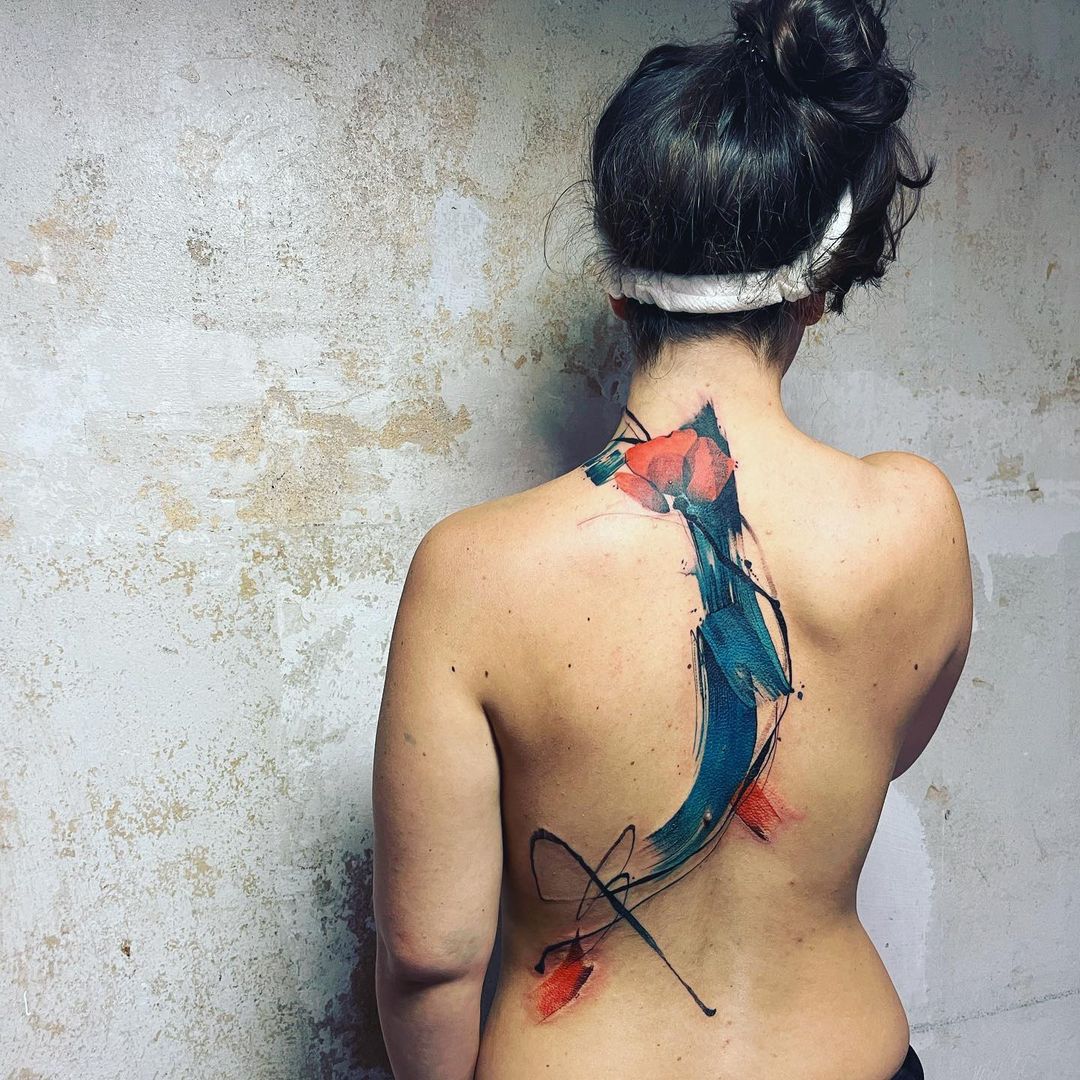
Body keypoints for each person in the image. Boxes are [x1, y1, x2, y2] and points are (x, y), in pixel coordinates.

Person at [372, 0, 972, 1076]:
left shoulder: (473, 572)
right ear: (816, 290)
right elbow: (881, 740)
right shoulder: (916, 522)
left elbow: (429, 958)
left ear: (616, 284)